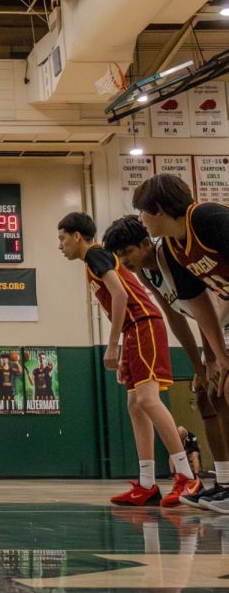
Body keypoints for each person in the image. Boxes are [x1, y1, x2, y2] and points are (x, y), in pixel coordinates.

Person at [58, 211, 195, 507]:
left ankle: (187, 476)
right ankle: (147, 483)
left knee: (147, 400)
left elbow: (119, 294)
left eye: (62, 238)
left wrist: (111, 344)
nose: (60, 245)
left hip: (143, 323)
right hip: (135, 329)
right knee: (135, 405)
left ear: (77, 236)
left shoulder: (96, 255)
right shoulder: (92, 261)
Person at [102, 214, 229, 509]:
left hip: (220, 321)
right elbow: (176, 318)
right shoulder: (146, 273)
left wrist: (213, 358)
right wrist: (199, 368)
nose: (124, 260)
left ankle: (207, 480)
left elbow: (205, 309)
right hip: (210, 329)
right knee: (206, 396)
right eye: (118, 256)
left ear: (145, 243)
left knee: (223, 389)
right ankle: (222, 482)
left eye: (127, 252)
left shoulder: (169, 256)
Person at [132, 174, 229, 388]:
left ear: (158, 208)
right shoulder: (172, 248)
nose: (140, 219)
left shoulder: (207, 218)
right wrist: (220, 358)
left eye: (142, 211)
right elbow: (199, 305)